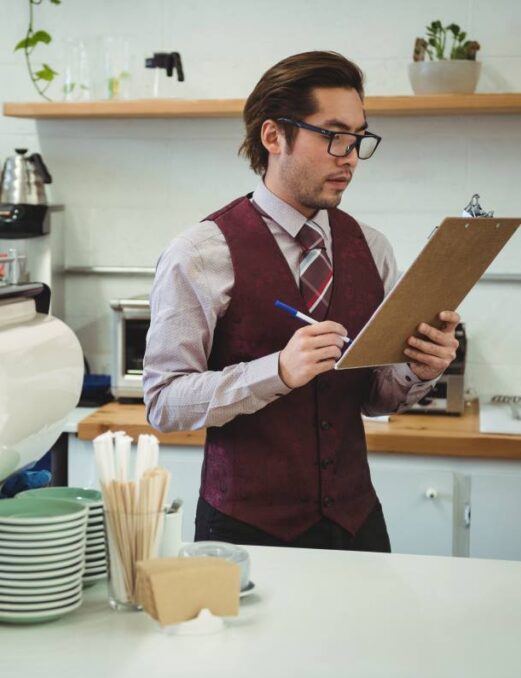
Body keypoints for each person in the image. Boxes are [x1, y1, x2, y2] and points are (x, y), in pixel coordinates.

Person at [142, 51, 460, 552]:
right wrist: (278, 371)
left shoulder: (372, 248)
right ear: (273, 137)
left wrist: (418, 371)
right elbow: (163, 402)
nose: (350, 156)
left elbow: (374, 396)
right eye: (334, 135)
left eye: (359, 138)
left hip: (358, 522)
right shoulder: (200, 253)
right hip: (245, 529)